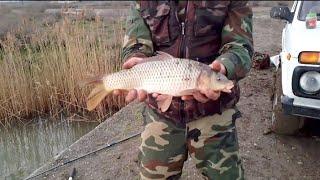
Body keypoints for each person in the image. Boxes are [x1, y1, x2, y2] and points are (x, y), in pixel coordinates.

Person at [114, 1, 253, 179]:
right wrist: (137, 59)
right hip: (161, 114)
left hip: (215, 112)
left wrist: (223, 68)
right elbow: (136, 45)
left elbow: (240, 47)